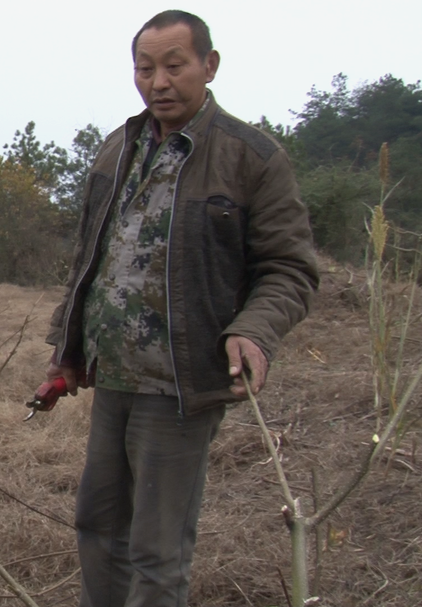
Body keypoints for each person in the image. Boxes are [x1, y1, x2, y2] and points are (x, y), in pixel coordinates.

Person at [44, 11, 319, 607]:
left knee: (156, 550)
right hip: (112, 376)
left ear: (209, 66)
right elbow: (91, 256)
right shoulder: (118, 147)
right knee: (97, 526)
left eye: (174, 66)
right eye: (145, 68)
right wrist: (66, 354)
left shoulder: (252, 157)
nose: (158, 82)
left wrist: (254, 332)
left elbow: (290, 269)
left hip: (179, 384)